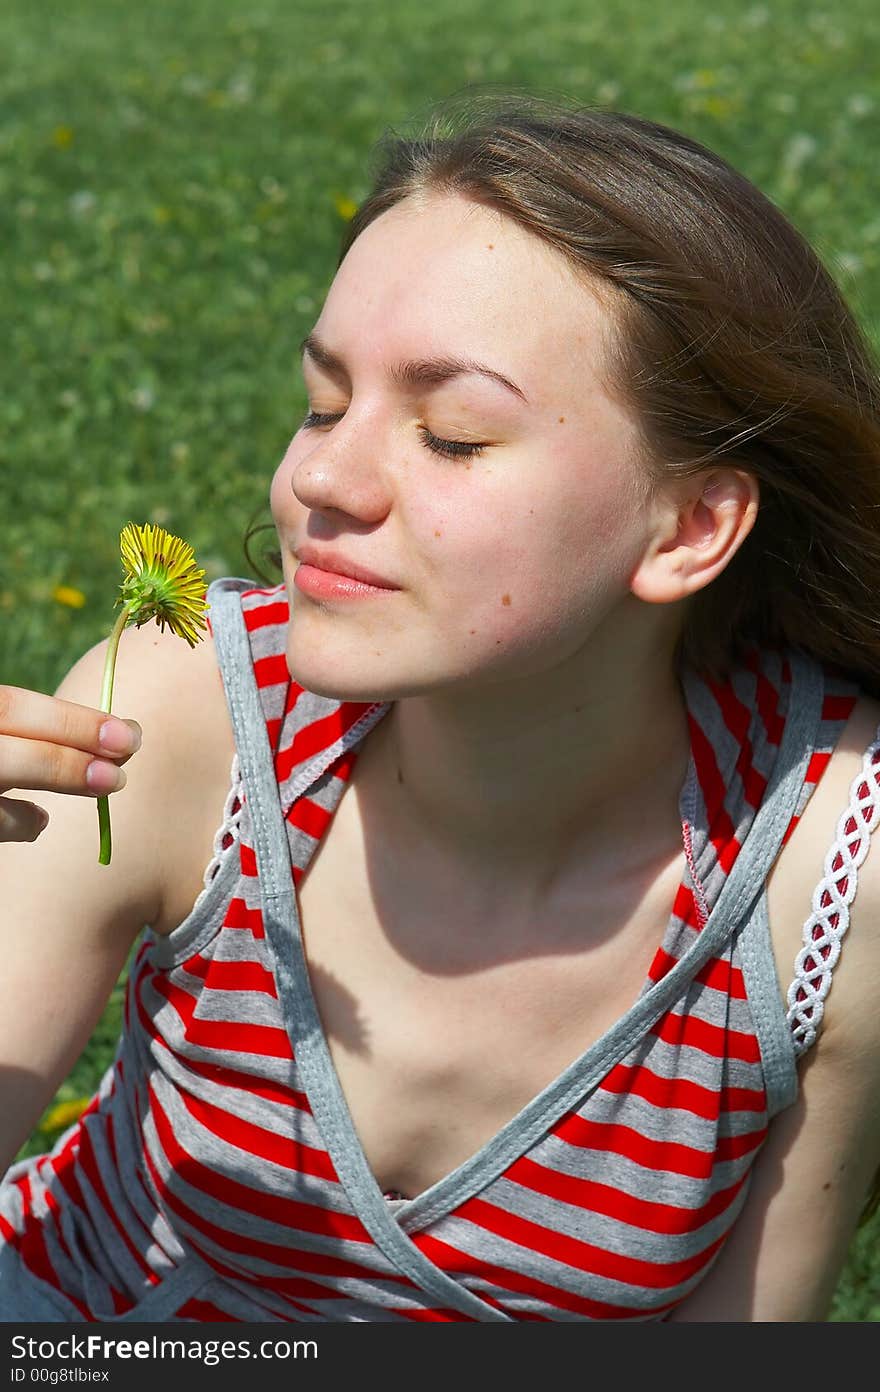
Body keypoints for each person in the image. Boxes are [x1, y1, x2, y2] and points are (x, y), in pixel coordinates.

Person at [1, 90, 880, 1324]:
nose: (318, 477)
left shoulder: (825, 875)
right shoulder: (175, 713)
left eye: (454, 434)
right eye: (322, 401)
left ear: (689, 528)